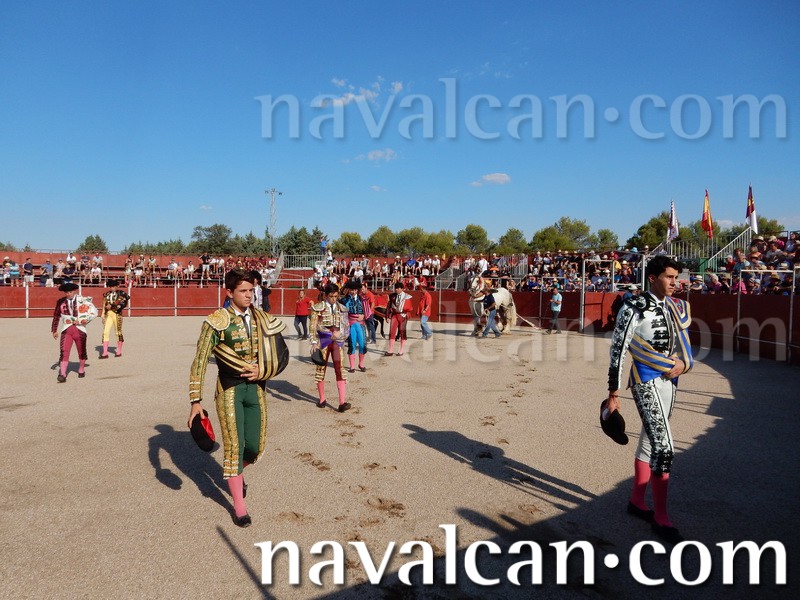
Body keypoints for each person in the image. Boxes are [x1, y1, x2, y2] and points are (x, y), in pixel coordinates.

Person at [188, 269, 287, 527]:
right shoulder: (216, 321)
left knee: (254, 448)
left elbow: (280, 354)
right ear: (230, 292)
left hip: (256, 388)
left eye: (251, 290)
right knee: (234, 447)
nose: (249, 295)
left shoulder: (262, 318)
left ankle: (237, 472)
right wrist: (195, 401)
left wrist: (263, 370)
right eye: (243, 291)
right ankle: (239, 507)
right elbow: (200, 361)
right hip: (229, 389)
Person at [606, 255, 694, 545]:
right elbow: (618, 350)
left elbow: (681, 344)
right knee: (664, 447)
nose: (675, 282)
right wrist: (613, 392)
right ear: (653, 278)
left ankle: (637, 501)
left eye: (676, 277)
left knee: (649, 440)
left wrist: (684, 364)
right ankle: (661, 516)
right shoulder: (633, 307)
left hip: (671, 380)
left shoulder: (675, 306)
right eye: (669, 277)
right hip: (645, 379)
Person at [309, 283, 351, 412]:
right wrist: (314, 342)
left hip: (337, 342)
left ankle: (342, 403)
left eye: (336, 296)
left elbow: (346, 327)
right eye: (331, 296)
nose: (334, 299)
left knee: (340, 370)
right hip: (323, 342)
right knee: (320, 369)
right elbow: (313, 326)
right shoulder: (318, 308)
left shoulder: (342, 308)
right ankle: (322, 399)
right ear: (326, 296)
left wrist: (340, 334)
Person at [51, 282, 97, 382]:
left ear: (74, 291)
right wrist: (54, 330)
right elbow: (56, 316)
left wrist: (82, 320)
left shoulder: (83, 300)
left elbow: (94, 312)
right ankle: (63, 374)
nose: (69, 294)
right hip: (66, 329)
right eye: (67, 292)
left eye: (70, 292)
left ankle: (81, 369)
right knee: (64, 351)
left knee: (81, 351)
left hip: (80, 329)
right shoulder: (61, 302)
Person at [340, 280, 368, 373]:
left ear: (357, 290)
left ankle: (361, 364)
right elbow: (341, 313)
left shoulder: (363, 299)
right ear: (349, 290)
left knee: (362, 344)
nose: (353, 292)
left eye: (355, 290)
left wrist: (363, 315)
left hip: (360, 324)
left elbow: (368, 311)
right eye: (352, 290)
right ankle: (352, 366)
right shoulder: (344, 300)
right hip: (351, 324)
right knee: (352, 345)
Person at [99, 279, 129, 358]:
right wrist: (103, 315)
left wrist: (112, 306)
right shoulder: (106, 294)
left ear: (117, 286)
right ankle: (105, 353)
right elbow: (104, 305)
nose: (112, 288)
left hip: (117, 314)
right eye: (111, 287)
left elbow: (123, 304)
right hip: (108, 315)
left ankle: (119, 351)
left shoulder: (122, 294)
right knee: (105, 332)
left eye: (113, 286)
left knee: (118, 332)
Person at [384, 282, 413, 356]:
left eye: (398, 288)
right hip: (395, 315)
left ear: (402, 289)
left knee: (402, 332)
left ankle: (401, 350)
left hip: (403, 315)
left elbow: (409, 308)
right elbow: (388, 307)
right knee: (392, 332)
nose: (396, 289)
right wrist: (387, 316)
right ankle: (390, 350)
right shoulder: (392, 296)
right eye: (395, 288)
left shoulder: (407, 296)